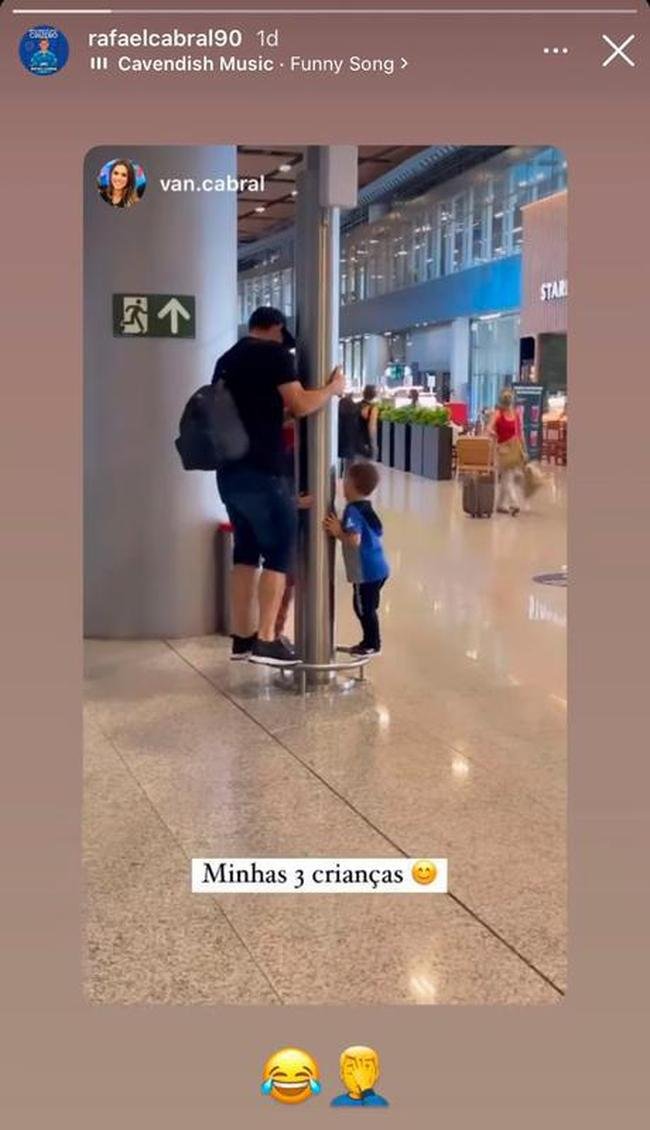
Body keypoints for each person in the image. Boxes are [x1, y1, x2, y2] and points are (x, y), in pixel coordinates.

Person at [215, 306, 345, 666]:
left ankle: (241, 637)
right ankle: (267, 639)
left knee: (244, 552)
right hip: (264, 471)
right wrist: (332, 389)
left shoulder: (227, 358)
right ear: (276, 328)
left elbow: (256, 411)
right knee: (278, 552)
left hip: (229, 472)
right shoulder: (274, 354)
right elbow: (301, 404)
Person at [324, 462, 389, 657]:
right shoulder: (366, 508)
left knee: (363, 608)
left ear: (351, 485)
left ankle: (372, 643)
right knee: (369, 606)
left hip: (366, 572)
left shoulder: (352, 511)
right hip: (379, 569)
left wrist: (337, 532)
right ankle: (370, 641)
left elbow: (354, 540)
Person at [489, 388, 526, 515]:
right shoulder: (498, 414)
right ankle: (514, 503)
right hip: (502, 450)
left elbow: (520, 433)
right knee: (508, 477)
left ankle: (500, 504)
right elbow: (489, 428)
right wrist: (493, 433)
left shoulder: (515, 414)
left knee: (507, 476)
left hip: (512, 449)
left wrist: (524, 450)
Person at [338, 393, 361, 473]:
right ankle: (347, 481)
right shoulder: (354, 413)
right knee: (349, 468)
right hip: (350, 444)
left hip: (340, 443)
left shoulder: (339, 414)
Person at [358, 384, 380, 459]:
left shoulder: (356, 405)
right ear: (374, 395)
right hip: (366, 443)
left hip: (355, 442)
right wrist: (374, 446)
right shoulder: (373, 409)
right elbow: (372, 428)